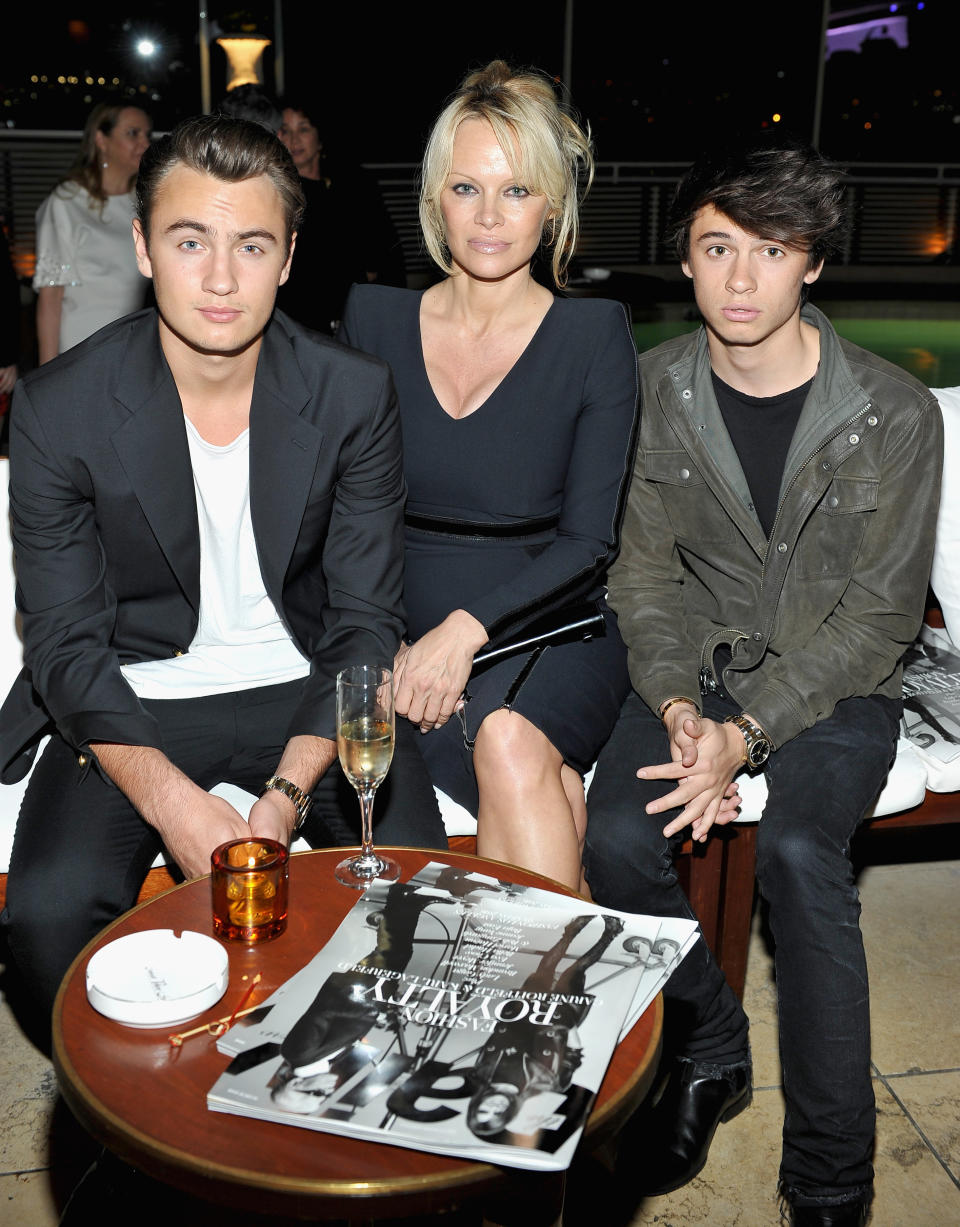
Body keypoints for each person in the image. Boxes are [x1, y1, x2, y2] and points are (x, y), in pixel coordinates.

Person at [0, 114, 445, 1020]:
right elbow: (64, 646)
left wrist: (282, 797)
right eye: (189, 239)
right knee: (47, 918)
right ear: (143, 245)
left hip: (307, 688)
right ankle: (153, 1119)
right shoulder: (60, 407)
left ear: (286, 258)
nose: (218, 276)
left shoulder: (352, 393)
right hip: (137, 692)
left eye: (251, 244)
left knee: (416, 904)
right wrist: (177, 807)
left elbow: (363, 622)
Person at [584, 139, 943, 1226]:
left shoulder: (893, 414)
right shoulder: (644, 394)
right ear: (685, 263)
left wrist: (751, 730)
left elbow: (881, 617)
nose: (742, 280)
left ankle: (831, 1178)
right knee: (613, 843)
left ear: (813, 266)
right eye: (718, 248)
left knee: (796, 852)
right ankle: (707, 1041)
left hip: (839, 683)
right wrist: (687, 706)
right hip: (686, 674)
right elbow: (637, 579)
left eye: (772, 251)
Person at [338, 61, 640, 892]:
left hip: (549, 620)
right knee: (541, 791)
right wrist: (384, 636)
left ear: (552, 205)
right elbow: (342, 511)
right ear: (436, 195)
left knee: (508, 736)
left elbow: (588, 543)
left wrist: (462, 635)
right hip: (405, 632)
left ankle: (535, 1007)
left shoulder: (593, 336)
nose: (490, 217)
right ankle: (565, 994)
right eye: (467, 188)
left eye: (516, 191)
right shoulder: (374, 318)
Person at [33, 101, 151, 362]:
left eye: (146, 134)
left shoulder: (145, 203)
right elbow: (50, 296)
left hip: (129, 351)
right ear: (101, 139)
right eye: (133, 133)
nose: (144, 142)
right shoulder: (67, 201)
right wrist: (48, 376)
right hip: (78, 353)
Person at [276, 98, 405, 333]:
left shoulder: (356, 184)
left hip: (361, 310)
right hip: (303, 319)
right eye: (285, 130)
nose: (294, 140)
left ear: (319, 136)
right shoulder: (279, 195)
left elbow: (387, 252)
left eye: (303, 129)